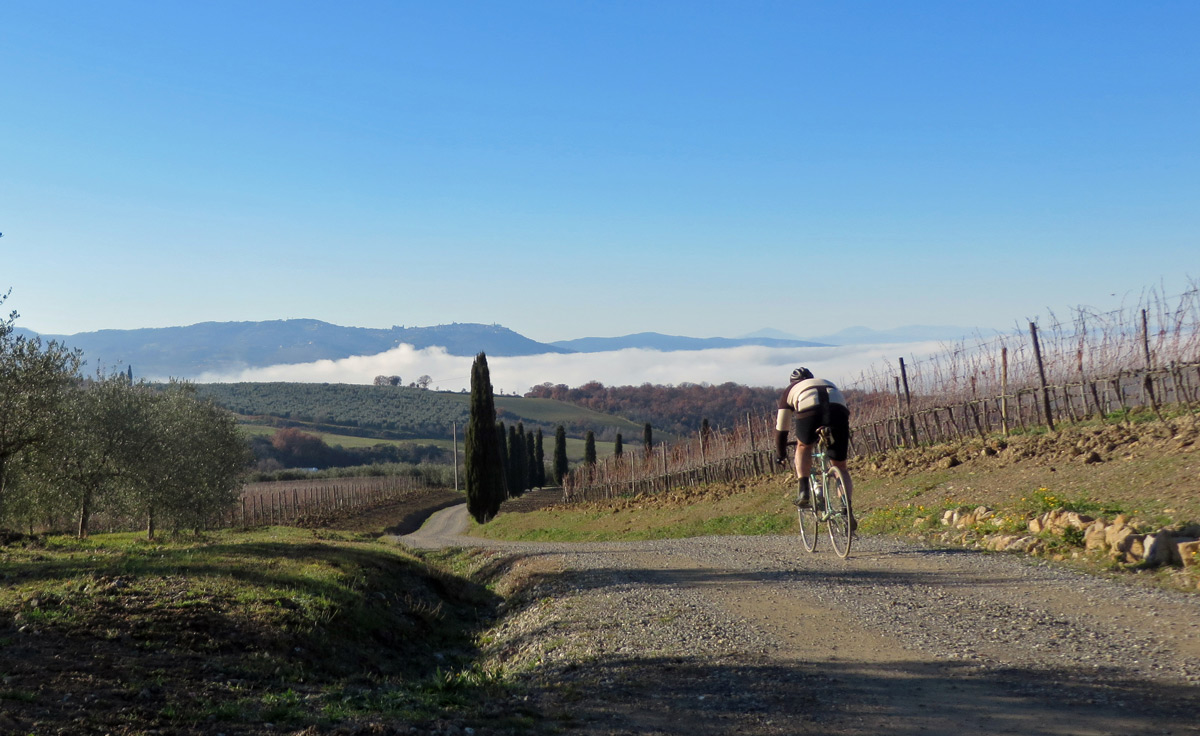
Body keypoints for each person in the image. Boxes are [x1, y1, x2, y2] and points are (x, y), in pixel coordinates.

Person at [774, 368, 853, 521]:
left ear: (793, 382)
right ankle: (846, 509)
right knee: (841, 466)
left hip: (809, 408)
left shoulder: (790, 390)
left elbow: (781, 429)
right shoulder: (826, 382)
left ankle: (804, 491)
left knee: (804, 446)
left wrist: (780, 454)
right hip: (838, 410)